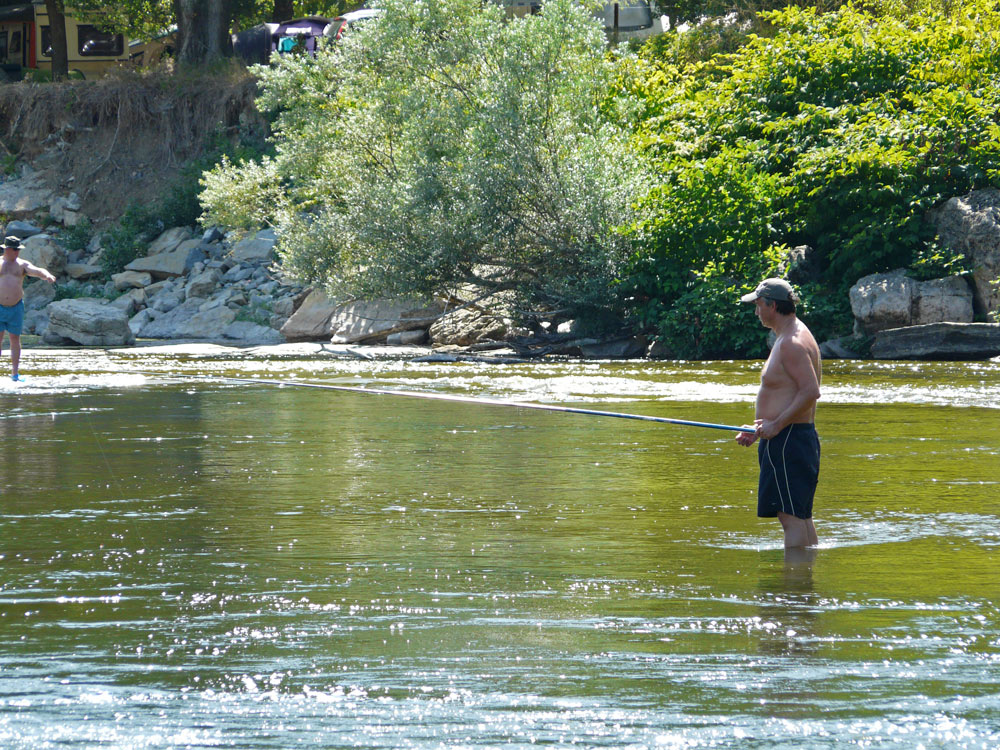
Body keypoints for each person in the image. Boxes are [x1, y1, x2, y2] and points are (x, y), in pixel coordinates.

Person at [735, 278, 822, 549]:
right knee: (800, 518)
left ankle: (793, 589)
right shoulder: (794, 334)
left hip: (788, 441)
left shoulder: (790, 344)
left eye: (759, 305)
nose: (756, 311)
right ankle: (803, 582)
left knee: (790, 518)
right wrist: (760, 428)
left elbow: (810, 391)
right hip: (791, 438)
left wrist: (776, 426)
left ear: (772, 306)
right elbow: (787, 392)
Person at [1, 235, 57, 381]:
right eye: (15, 249)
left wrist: (47, 275)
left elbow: (37, 270)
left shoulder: (22, 264)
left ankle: (15, 374)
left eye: (18, 249)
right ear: (7, 249)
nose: (17, 252)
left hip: (16, 307)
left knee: (15, 339)